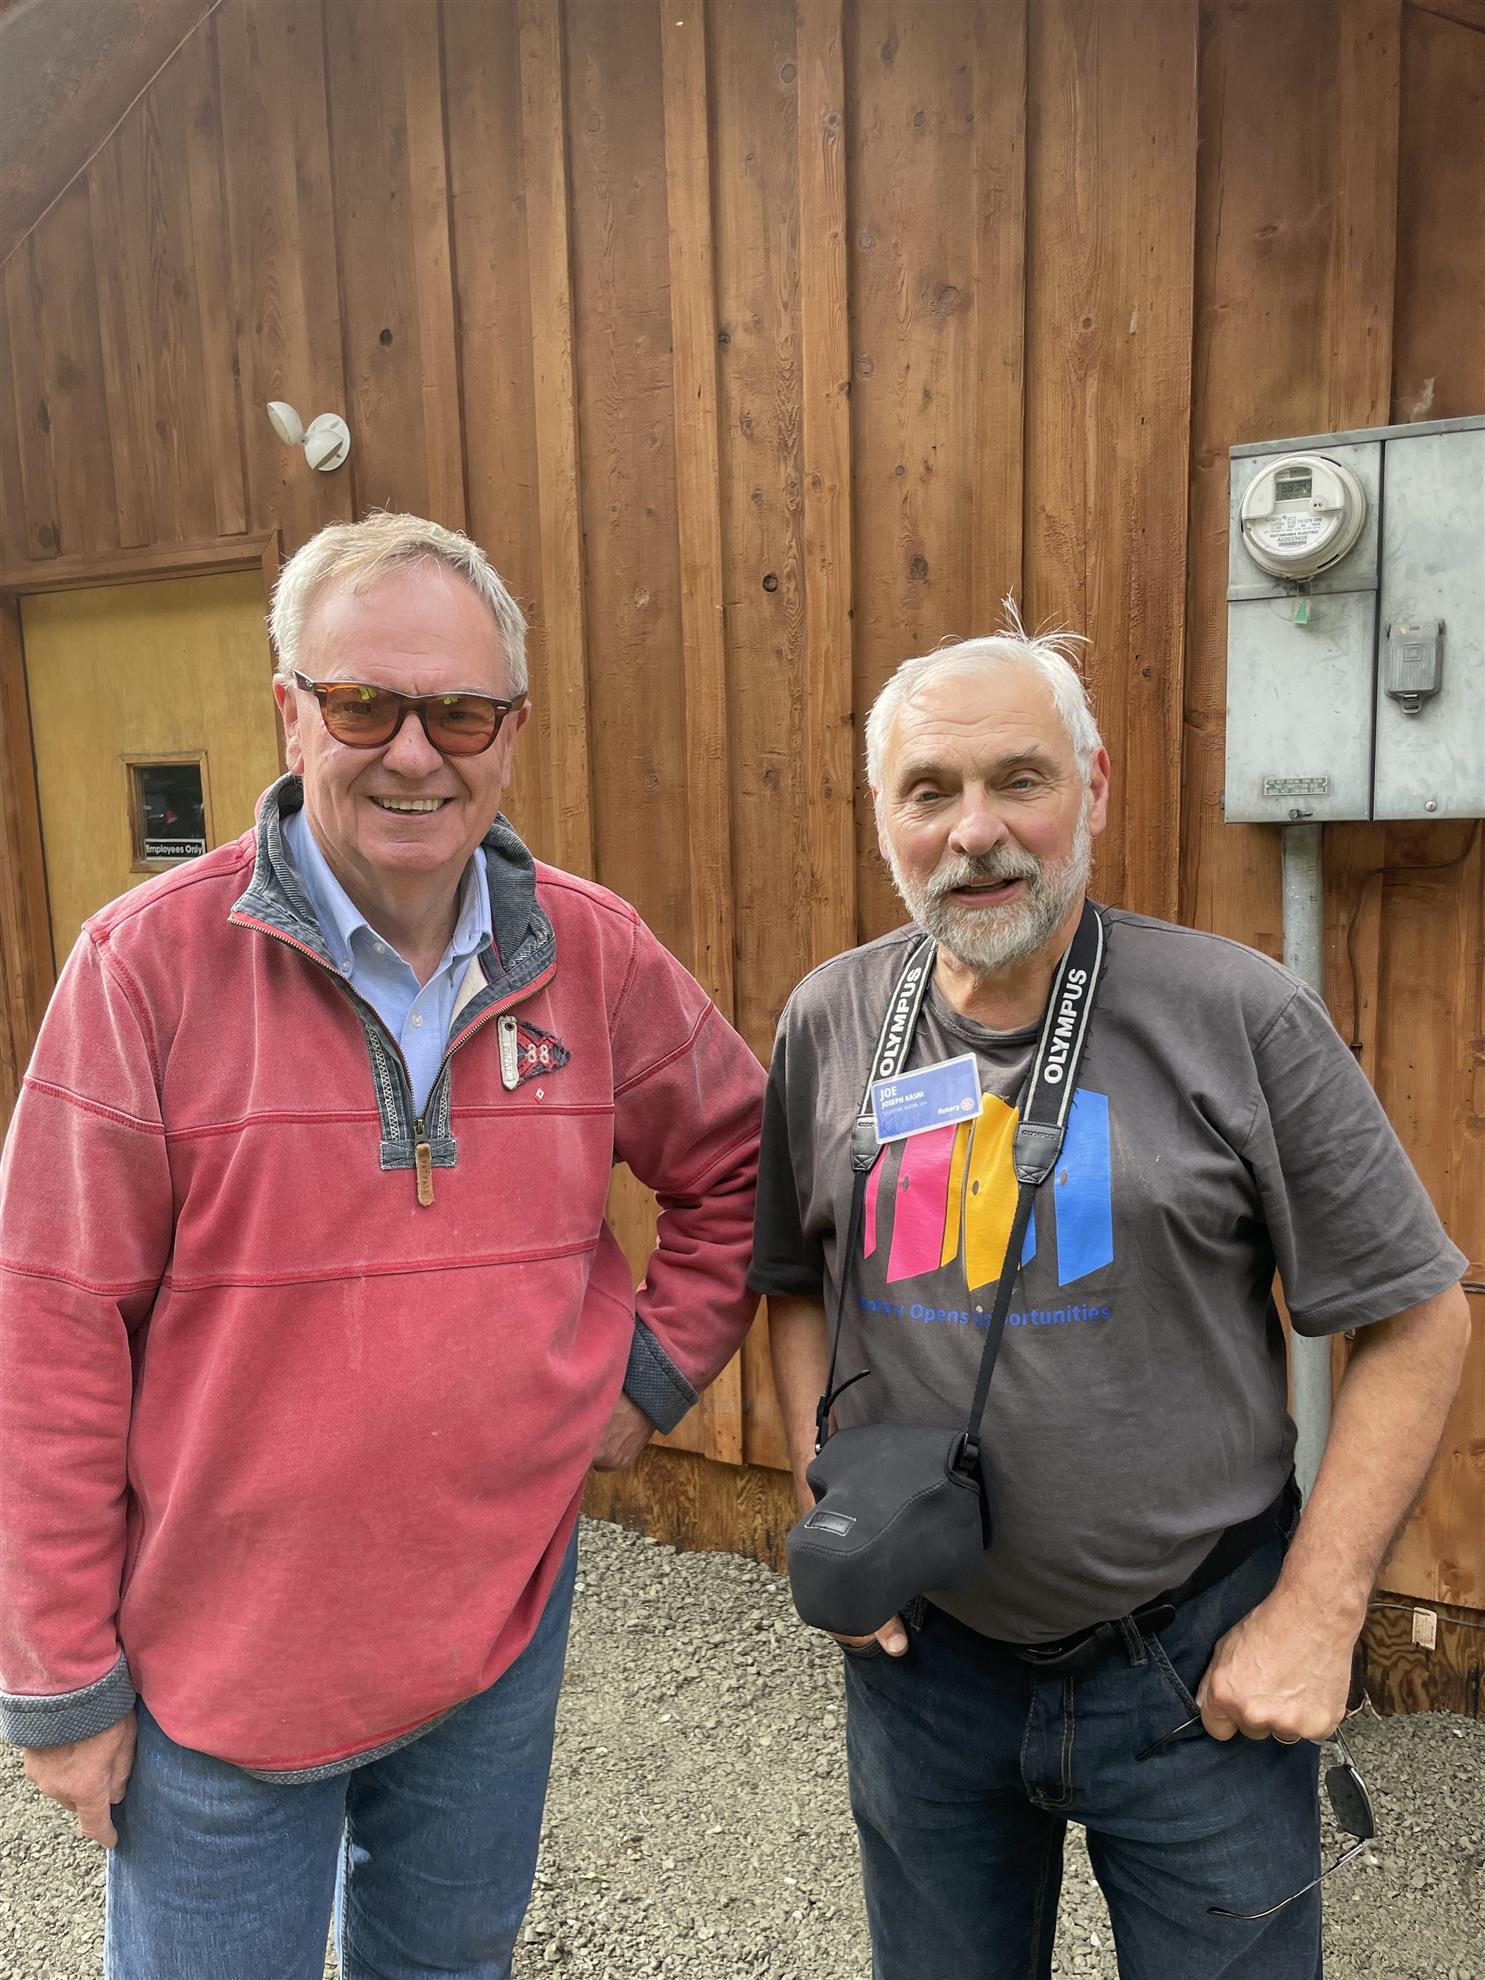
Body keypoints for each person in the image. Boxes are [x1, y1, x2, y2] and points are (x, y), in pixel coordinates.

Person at [0, 513, 765, 1980]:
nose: (414, 753)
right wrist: (59, 1678)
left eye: (458, 711)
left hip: (494, 1639)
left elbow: (739, 1163)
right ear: (290, 710)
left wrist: (650, 1377)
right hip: (217, 1677)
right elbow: (49, 1329)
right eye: (364, 703)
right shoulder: (142, 969)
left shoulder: (591, 955)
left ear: (511, 735)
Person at [751, 622, 1470, 1979]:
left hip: (1191, 1672)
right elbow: (792, 1286)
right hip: (927, 1670)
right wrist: (822, 1507)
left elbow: (1419, 1313)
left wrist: (1316, 1614)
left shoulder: (1234, 1015)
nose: (974, 833)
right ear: (881, 820)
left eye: (1016, 780)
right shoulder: (829, 1019)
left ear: (1091, 789)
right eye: (928, 791)